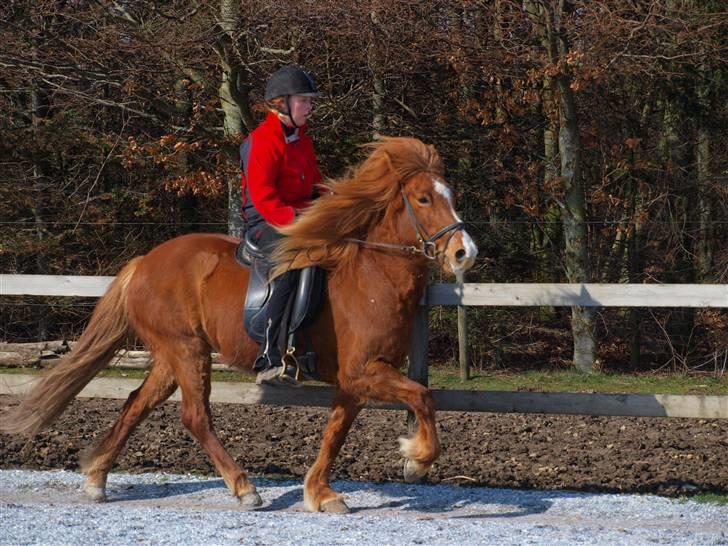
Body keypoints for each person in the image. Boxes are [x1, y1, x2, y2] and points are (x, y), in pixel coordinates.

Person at [240, 65, 323, 386]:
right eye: (304, 100)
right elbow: (264, 197)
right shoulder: (262, 140)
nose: (309, 106)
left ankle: (308, 346)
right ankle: (270, 355)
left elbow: (315, 184)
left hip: (300, 218)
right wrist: (298, 222)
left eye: (309, 101)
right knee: (290, 262)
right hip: (267, 222)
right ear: (281, 103)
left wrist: (340, 203)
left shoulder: (302, 141)